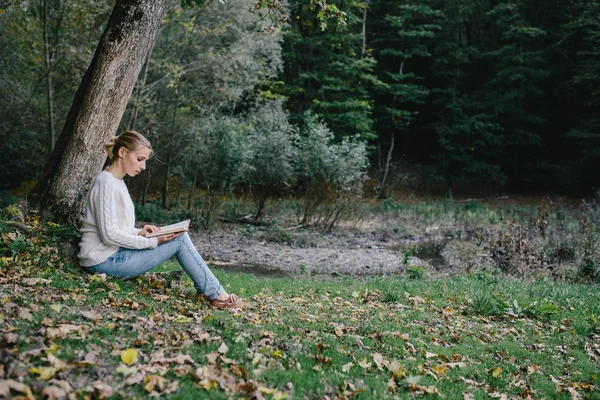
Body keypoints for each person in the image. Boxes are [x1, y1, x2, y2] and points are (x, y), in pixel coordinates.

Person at [78, 130, 245, 309]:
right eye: (140, 159)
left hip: (111, 255)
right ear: (122, 152)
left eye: (145, 161)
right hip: (103, 261)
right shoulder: (106, 183)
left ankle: (215, 292)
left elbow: (115, 227)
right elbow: (109, 235)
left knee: (179, 236)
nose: (143, 167)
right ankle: (218, 296)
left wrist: (140, 232)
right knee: (180, 241)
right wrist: (151, 242)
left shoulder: (116, 182)